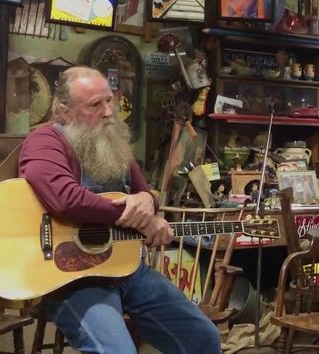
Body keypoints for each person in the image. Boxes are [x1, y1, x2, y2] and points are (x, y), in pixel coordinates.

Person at [18, 66, 219, 353]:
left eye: (109, 100)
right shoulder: (45, 141)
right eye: (95, 105)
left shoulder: (113, 143)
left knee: (204, 337)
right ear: (65, 112)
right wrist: (139, 217)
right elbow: (64, 198)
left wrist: (148, 202)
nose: (108, 112)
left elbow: (144, 192)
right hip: (71, 278)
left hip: (125, 270)